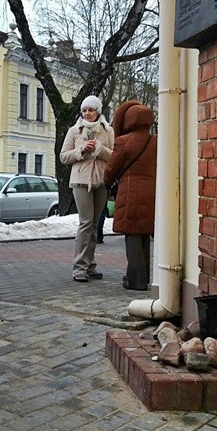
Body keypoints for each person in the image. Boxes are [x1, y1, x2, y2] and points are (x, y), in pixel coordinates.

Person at [59, 95, 114, 282]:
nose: (87, 113)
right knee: (85, 222)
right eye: (84, 110)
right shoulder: (75, 130)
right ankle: (79, 268)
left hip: (101, 181)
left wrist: (100, 149)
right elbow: (63, 157)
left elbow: (114, 156)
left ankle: (90, 265)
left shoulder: (108, 131)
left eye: (91, 110)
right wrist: (81, 150)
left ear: (98, 111)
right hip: (80, 182)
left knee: (94, 224)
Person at [103, 100, 157, 291]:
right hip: (151, 192)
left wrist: (107, 183)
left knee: (132, 236)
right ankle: (144, 277)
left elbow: (111, 169)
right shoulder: (156, 141)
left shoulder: (124, 141)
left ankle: (136, 281)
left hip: (130, 192)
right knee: (144, 235)